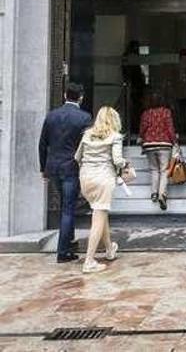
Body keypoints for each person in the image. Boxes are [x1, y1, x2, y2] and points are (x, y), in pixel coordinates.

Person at [39, 83, 92, 264]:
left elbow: (42, 144)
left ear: (64, 95)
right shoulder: (84, 118)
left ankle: (68, 247)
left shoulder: (51, 116)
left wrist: (43, 168)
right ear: (81, 97)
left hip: (53, 167)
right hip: (71, 167)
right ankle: (63, 251)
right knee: (68, 209)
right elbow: (87, 146)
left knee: (65, 207)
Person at [75, 106, 127, 274]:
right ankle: (89, 261)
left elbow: (77, 157)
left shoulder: (87, 135)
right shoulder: (115, 136)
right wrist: (126, 165)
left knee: (100, 213)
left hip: (85, 179)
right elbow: (118, 161)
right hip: (103, 179)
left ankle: (110, 249)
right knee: (98, 219)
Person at [139, 91, 177, 211]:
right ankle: (162, 194)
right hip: (164, 144)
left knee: (154, 169)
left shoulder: (146, 113)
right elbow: (170, 128)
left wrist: (141, 138)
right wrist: (174, 141)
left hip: (149, 144)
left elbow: (143, 129)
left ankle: (154, 193)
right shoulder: (166, 112)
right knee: (164, 170)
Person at [122, 41, 147, 135]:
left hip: (135, 87)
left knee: (135, 109)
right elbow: (131, 74)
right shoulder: (131, 59)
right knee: (135, 109)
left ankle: (134, 128)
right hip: (133, 87)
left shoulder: (130, 58)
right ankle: (134, 128)